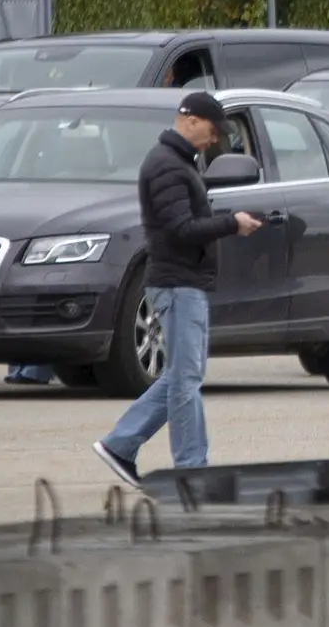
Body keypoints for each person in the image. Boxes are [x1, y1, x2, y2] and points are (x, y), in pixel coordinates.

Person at [94, 92, 262, 497]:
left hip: (183, 281)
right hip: (177, 282)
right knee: (186, 379)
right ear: (188, 119)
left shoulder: (176, 162)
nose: (214, 139)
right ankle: (190, 469)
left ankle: (121, 445)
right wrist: (230, 224)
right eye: (210, 129)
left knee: (181, 376)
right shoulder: (167, 166)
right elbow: (180, 229)